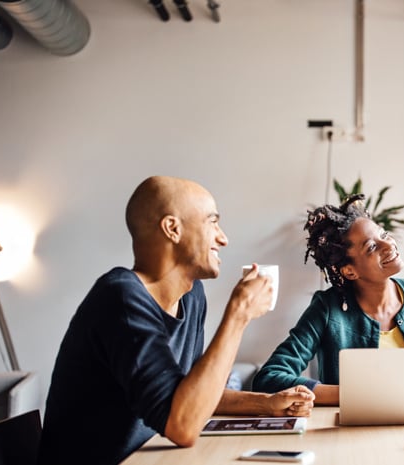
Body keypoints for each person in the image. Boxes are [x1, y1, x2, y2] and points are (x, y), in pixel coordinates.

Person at [38, 176, 315, 465]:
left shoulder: (192, 295)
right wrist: (238, 314)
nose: (223, 238)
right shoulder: (120, 297)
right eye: (212, 222)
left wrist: (266, 404)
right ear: (173, 228)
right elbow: (182, 426)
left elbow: (192, 395)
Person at [252, 194, 404, 405]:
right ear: (350, 271)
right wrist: (350, 395)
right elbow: (268, 378)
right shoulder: (327, 309)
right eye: (371, 247)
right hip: (349, 432)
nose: (388, 245)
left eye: (384, 234)